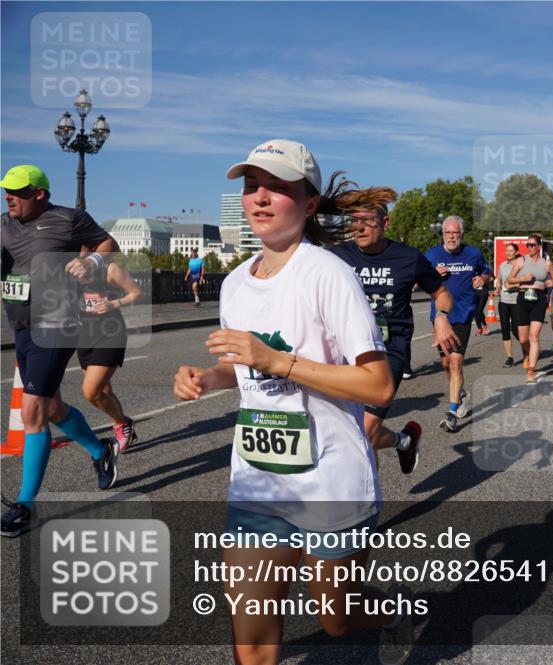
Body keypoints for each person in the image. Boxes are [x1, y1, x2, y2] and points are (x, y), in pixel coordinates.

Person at [172, 140, 415, 665]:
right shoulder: (235, 283)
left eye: (277, 188)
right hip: (257, 482)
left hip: (329, 480)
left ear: (308, 205)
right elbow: (244, 368)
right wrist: (208, 378)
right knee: (253, 645)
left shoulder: (327, 273)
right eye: (251, 186)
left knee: (336, 619)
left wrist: (277, 361)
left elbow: (377, 385)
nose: (260, 197)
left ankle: (391, 610)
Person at [1, 164, 120, 538]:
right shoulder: (4, 225)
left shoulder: (68, 219)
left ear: (39, 193)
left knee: (32, 410)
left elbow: (109, 244)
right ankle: (100, 451)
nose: (9, 197)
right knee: (51, 408)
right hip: (22, 325)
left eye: (17, 192)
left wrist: (91, 261)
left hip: (57, 323)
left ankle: (25, 506)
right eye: (6, 191)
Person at [330, 202, 459, 474]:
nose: (359, 227)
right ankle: (404, 441)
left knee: (364, 430)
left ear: (385, 223)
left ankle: (366, 496)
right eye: (354, 221)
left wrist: (441, 317)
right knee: (350, 433)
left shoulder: (408, 257)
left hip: (388, 351)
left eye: (368, 220)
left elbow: (441, 293)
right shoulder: (337, 256)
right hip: (346, 352)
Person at [424, 216, 491, 433]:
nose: (451, 237)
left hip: (463, 315)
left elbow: (486, 272)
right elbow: (418, 280)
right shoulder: (432, 255)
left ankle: (452, 412)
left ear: (461, 234)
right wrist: (432, 274)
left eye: (455, 233)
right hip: (440, 317)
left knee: (455, 363)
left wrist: (482, 279)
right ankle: (461, 393)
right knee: (445, 364)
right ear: (443, 234)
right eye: (448, 233)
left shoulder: (473, 253)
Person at [77, 259, 143, 453]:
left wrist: (114, 303)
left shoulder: (109, 269)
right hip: (84, 335)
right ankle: (123, 425)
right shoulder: (68, 267)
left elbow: (137, 293)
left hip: (110, 334)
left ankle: (122, 423)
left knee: (91, 392)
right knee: (103, 389)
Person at [507, 233, 553, 384]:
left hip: (539, 299)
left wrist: (552, 282)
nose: (529, 247)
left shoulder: (546, 263)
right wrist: (522, 279)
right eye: (527, 245)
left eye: (532, 245)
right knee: (523, 339)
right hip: (523, 298)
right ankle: (528, 353)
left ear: (539, 246)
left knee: (534, 336)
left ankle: (531, 370)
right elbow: (510, 279)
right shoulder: (521, 260)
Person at [495, 242, 525, 368]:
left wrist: (513, 285)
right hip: (503, 301)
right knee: (505, 329)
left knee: (517, 330)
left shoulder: (521, 266)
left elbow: (525, 282)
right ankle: (510, 357)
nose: (508, 253)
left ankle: (526, 351)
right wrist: (497, 288)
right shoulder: (502, 265)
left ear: (516, 252)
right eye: (507, 250)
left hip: (517, 301)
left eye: (511, 250)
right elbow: (499, 280)